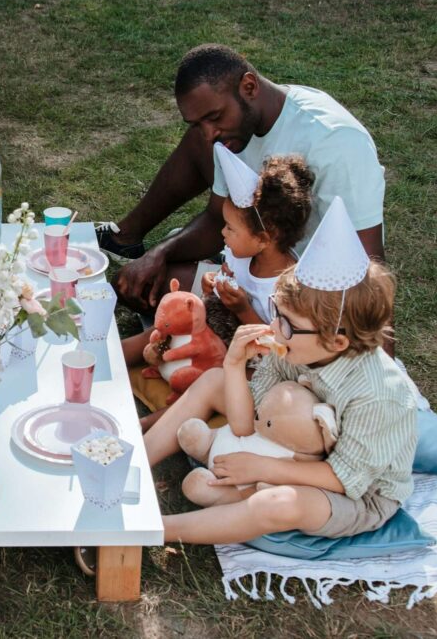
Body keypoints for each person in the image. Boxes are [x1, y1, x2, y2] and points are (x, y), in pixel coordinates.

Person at [144, 198, 415, 545]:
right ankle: (133, 462)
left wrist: (263, 468)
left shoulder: (378, 394)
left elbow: (345, 477)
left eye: (286, 322)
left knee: (280, 503)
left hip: (353, 489)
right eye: (276, 311)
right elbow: (249, 422)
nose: (273, 326)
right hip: (285, 436)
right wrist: (233, 365)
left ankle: (159, 530)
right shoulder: (292, 343)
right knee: (213, 381)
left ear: (336, 343)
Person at [103, 45, 387, 323]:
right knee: (133, 286)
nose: (209, 133)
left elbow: (369, 268)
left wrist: (382, 366)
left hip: (301, 294)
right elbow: (217, 220)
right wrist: (158, 253)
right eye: (197, 123)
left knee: (171, 302)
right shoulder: (231, 130)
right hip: (249, 260)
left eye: (214, 118)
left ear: (249, 87)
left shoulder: (336, 143)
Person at [122, 150, 313, 370]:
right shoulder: (242, 255)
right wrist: (212, 284)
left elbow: (280, 346)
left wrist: (243, 310)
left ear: (262, 239)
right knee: (164, 331)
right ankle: (110, 358)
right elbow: (219, 293)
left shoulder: (288, 288)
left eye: (230, 228)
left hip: (252, 364)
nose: (223, 232)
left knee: (212, 377)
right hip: (213, 337)